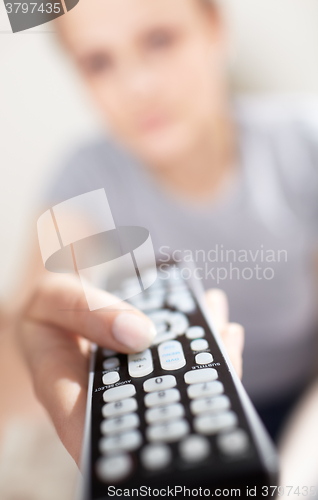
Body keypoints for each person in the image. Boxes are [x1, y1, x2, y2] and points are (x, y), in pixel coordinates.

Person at [17, 0, 318, 466]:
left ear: (216, 29)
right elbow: (34, 321)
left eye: (160, 40)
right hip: (167, 423)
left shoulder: (304, 144)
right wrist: (30, 334)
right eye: (98, 62)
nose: (137, 87)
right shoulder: (82, 181)